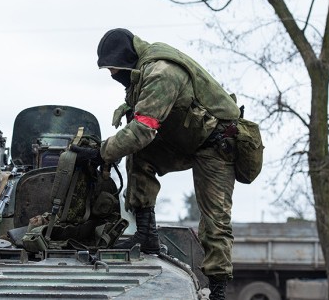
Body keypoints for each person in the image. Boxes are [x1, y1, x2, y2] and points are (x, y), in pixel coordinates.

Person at [71, 28, 241, 300]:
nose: (113, 75)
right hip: (183, 140)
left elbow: (143, 129)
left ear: (126, 60)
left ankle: (218, 290)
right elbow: (141, 132)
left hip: (215, 145)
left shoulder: (161, 72)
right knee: (140, 155)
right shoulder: (141, 73)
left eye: (114, 69)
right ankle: (147, 234)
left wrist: (101, 153)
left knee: (215, 220)